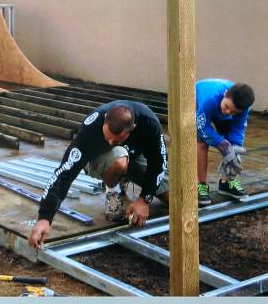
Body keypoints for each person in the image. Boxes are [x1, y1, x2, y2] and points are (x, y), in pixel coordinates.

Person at [29, 100, 169, 249]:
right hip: (105, 157)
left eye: (115, 140)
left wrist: (144, 200)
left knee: (173, 199)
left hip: (136, 154)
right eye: (107, 137)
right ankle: (113, 188)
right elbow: (65, 173)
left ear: (132, 129)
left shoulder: (149, 123)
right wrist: (45, 218)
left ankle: (124, 175)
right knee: (119, 160)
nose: (109, 142)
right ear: (105, 119)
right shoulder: (91, 128)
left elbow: (159, 162)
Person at [195, 79, 255, 206]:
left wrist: (234, 148)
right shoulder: (209, 99)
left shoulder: (243, 107)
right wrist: (222, 144)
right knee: (202, 142)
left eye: (233, 112)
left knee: (232, 147)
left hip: (217, 108)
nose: (228, 112)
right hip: (198, 104)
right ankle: (201, 185)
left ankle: (226, 182)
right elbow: (202, 127)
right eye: (228, 107)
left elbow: (238, 128)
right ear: (225, 94)